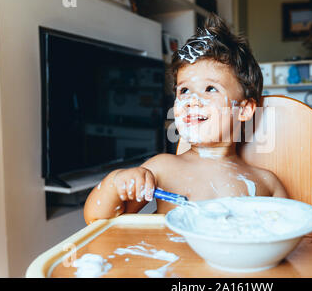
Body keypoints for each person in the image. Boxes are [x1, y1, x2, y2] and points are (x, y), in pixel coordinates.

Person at [84, 15, 287, 225]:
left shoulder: (267, 184)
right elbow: (98, 219)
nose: (192, 101)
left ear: (244, 109)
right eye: (184, 90)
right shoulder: (163, 169)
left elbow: (288, 238)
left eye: (210, 89)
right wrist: (116, 183)